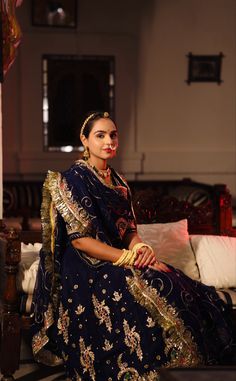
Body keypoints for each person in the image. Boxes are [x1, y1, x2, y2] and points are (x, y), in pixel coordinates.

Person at [31, 111, 233, 381]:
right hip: (83, 264)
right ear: (85, 140)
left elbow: (128, 230)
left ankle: (186, 366)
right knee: (134, 283)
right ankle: (147, 368)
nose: (108, 141)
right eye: (100, 135)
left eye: (113, 135)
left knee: (172, 279)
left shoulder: (119, 182)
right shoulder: (72, 179)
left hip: (116, 255)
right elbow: (80, 241)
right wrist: (128, 258)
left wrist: (140, 248)